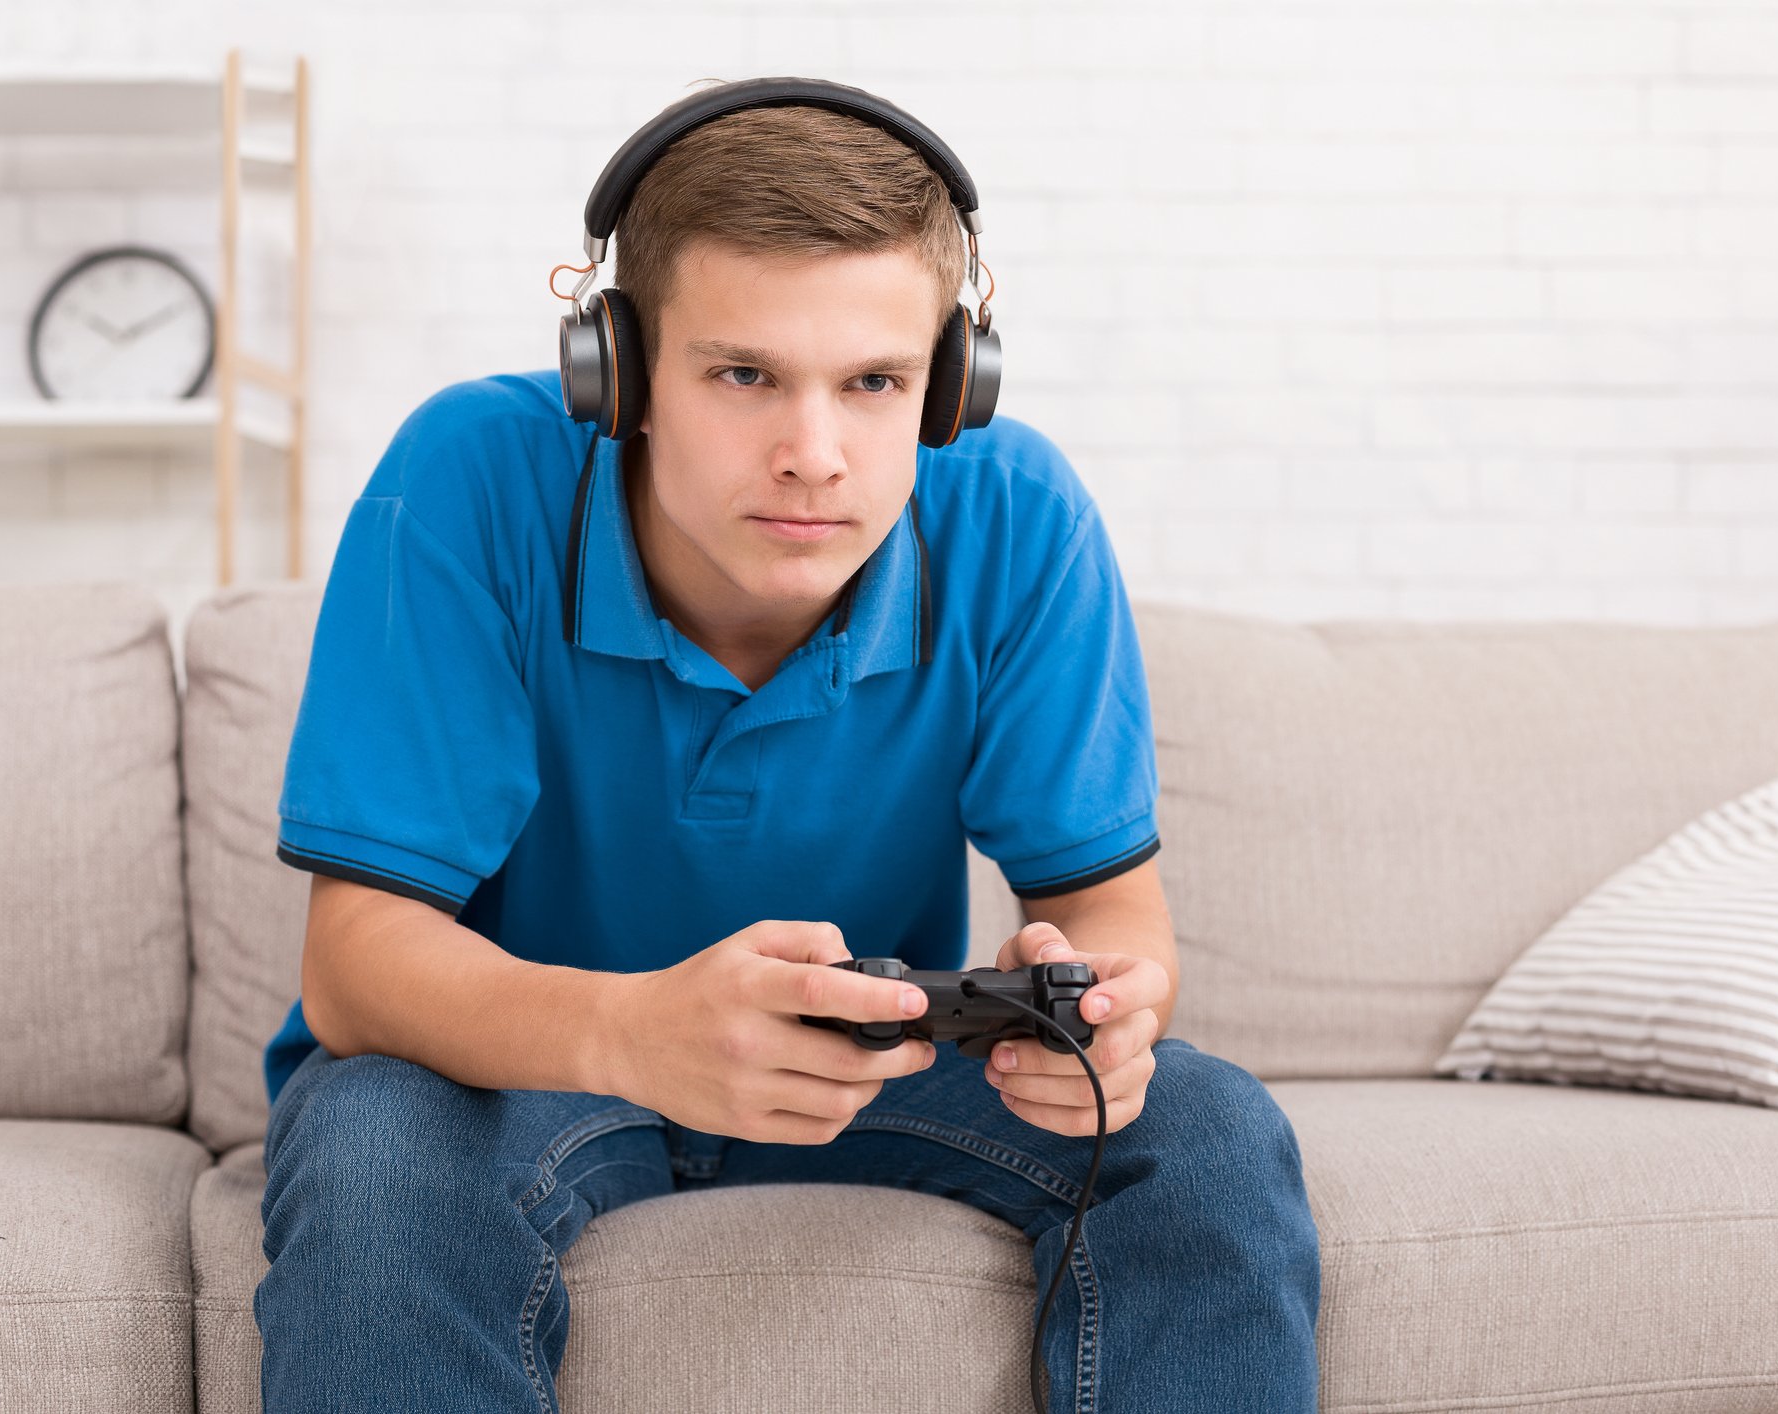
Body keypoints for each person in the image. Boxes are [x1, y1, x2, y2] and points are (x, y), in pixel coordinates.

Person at [252, 80, 1322, 1414]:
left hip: (874, 1071)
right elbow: (356, 969)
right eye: (744, 374)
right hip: (532, 1062)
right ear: (620, 372)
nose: (813, 453)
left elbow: (1109, 912)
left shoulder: (1017, 514)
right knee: (374, 1140)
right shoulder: (469, 475)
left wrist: (1105, 1011)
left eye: (874, 382)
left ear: (948, 387)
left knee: (1208, 1129)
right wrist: (637, 1031)